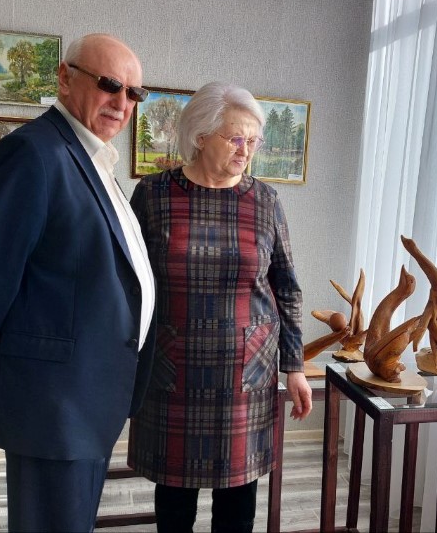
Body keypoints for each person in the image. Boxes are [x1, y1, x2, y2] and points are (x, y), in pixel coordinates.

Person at [0, 33, 155, 532]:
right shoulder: (32, 153)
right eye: (109, 85)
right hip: (54, 403)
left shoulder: (92, 158)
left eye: (134, 93)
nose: (122, 103)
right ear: (65, 77)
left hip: (86, 395)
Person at [127, 81, 313, 533]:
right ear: (200, 136)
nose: (246, 150)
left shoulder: (265, 201)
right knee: (174, 503)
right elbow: (127, 285)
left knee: (238, 505)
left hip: (246, 372)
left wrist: (295, 366)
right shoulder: (152, 195)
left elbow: (286, 287)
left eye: (253, 140)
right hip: (173, 366)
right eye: (235, 138)